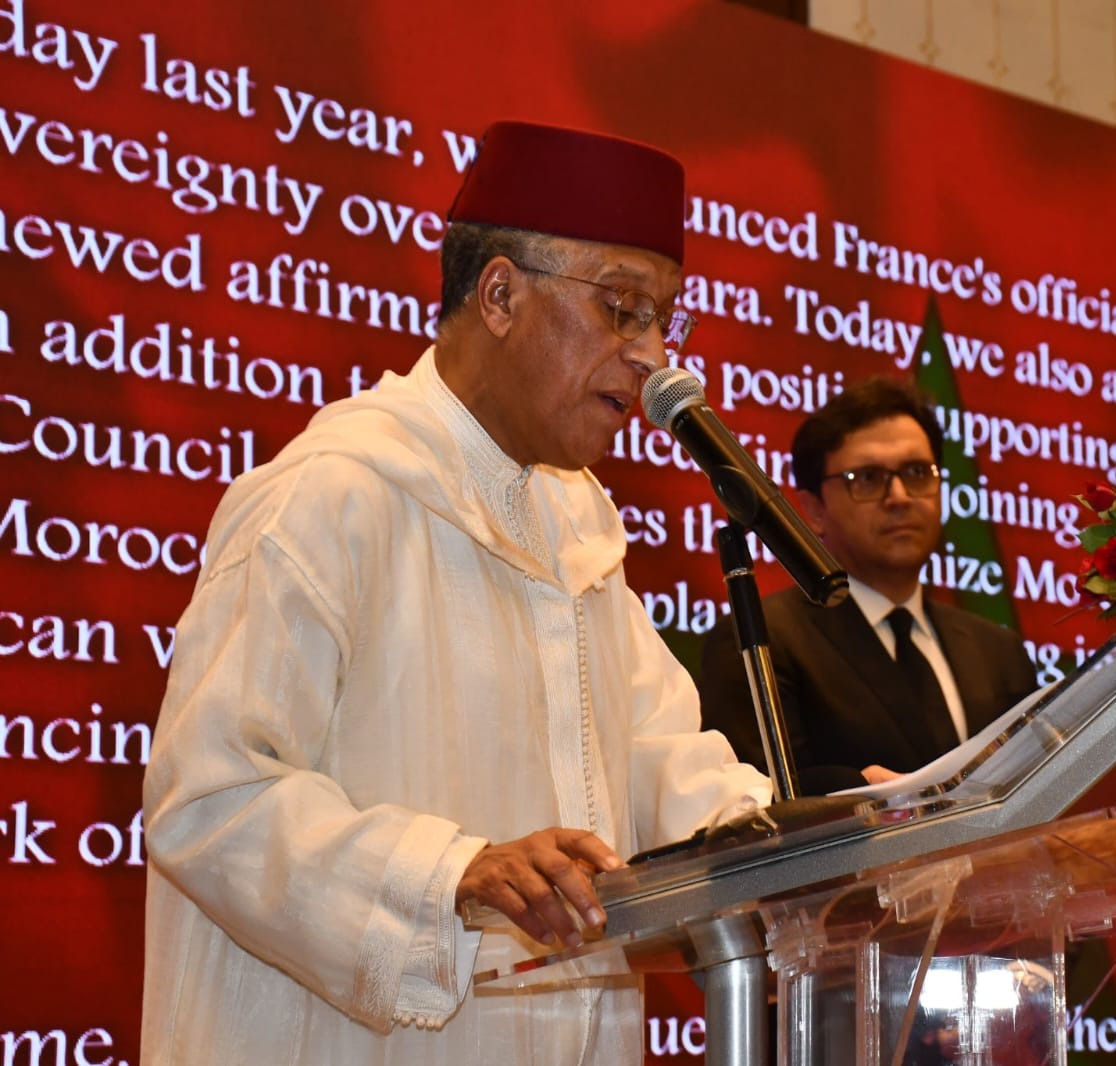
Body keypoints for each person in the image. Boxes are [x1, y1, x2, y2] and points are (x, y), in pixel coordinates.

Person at [140, 122, 771, 1066]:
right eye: (622, 309)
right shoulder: (330, 494)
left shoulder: (577, 529)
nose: (653, 358)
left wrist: (817, 843)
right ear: (502, 295)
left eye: (663, 321)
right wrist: (452, 874)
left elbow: (658, 758)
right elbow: (212, 799)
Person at [697, 378, 1039, 795]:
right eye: (869, 478)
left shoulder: (999, 654)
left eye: (917, 473)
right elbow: (754, 799)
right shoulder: (762, 639)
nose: (900, 496)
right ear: (813, 510)